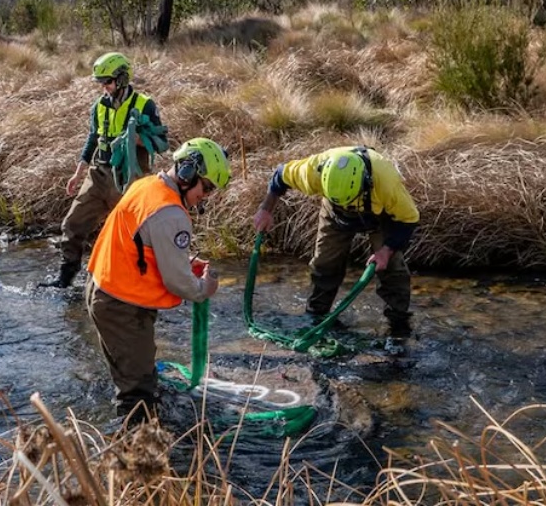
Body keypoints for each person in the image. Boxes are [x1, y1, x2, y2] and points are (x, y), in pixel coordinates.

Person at [85, 137, 230, 424]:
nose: (206, 196)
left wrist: (183, 261)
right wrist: (204, 289)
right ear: (189, 173)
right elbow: (178, 282)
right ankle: (135, 443)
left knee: (134, 375)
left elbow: (140, 243)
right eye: (207, 187)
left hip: (103, 291)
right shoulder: (171, 213)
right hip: (123, 306)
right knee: (138, 393)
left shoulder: (147, 186)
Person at [252, 145, 419, 339]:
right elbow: (280, 176)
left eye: (349, 202)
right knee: (324, 263)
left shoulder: (386, 182)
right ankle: (316, 316)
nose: (348, 207)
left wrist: (386, 251)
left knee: (392, 269)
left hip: (380, 216)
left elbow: (409, 219)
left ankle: (398, 324)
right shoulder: (313, 171)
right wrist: (266, 209)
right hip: (335, 215)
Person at [38, 51, 163, 288]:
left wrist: (136, 139)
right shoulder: (99, 106)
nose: (103, 87)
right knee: (72, 224)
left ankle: (140, 281)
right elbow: (92, 139)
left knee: (133, 233)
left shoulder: (145, 105)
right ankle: (65, 278)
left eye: (107, 81)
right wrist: (78, 173)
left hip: (129, 180)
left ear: (122, 78)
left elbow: (161, 141)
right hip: (98, 175)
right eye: (101, 82)